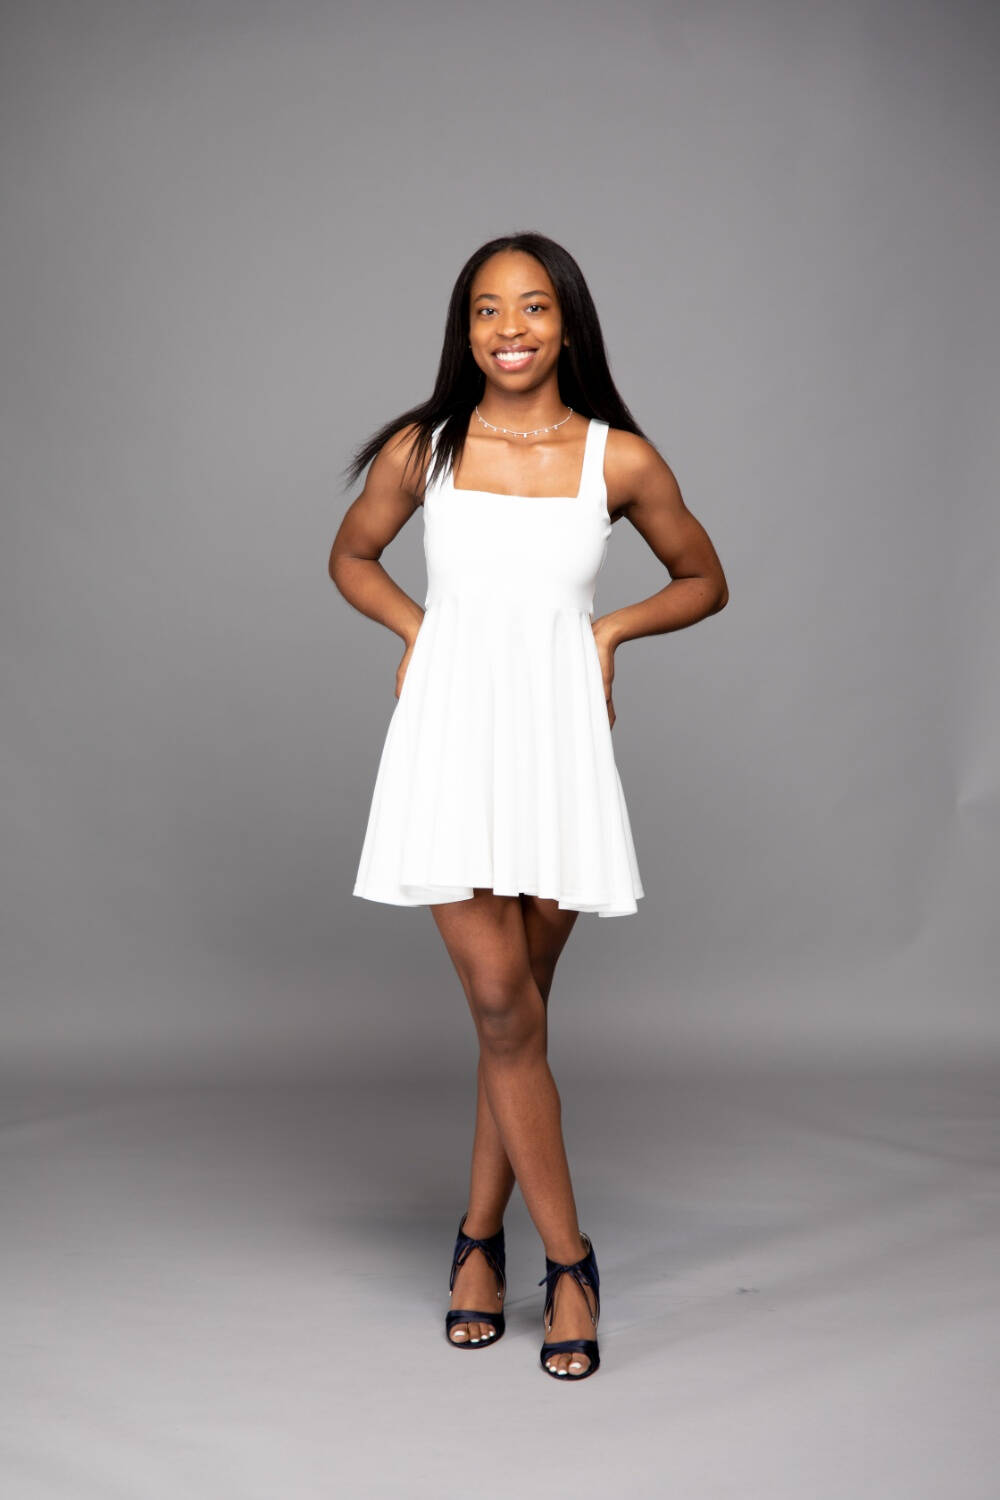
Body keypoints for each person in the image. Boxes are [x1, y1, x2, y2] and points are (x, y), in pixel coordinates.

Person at [328, 231, 729, 1381]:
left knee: (521, 1022)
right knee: (505, 1010)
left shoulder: (620, 458)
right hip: (451, 741)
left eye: (533, 308)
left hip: (556, 747)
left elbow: (703, 579)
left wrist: (606, 631)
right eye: (487, 311)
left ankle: (473, 1242)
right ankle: (569, 1259)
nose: (510, 329)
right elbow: (353, 557)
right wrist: (419, 634)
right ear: (465, 332)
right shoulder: (425, 447)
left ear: (568, 325)